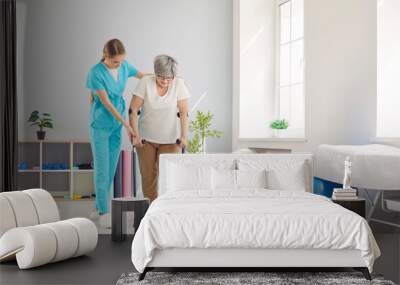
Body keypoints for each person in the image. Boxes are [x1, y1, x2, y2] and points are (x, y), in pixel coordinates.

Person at [86, 39, 144, 227]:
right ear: (106, 56)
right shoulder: (95, 73)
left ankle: (97, 207)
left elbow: (142, 75)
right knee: (102, 170)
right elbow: (106, 103)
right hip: (101, 124)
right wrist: (127, 125)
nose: (119, 64)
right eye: (115, 62)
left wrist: (161, 77)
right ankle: (104, 212)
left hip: (116, 126)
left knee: (111, 170)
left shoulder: (124, 65)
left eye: (121, 61)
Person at [129, 55, 190, 202]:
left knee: (169, 178)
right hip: (146, 139)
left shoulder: (179, 84)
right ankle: (151, 211)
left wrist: (184, 136)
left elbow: (184, 112)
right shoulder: (145, 82)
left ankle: (167, 211)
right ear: (155, 73)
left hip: (170, 139)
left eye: (169, 78)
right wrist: (135, 135)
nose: (165, 81)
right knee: (149, 178)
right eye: (161, 77)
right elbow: (133, 109)